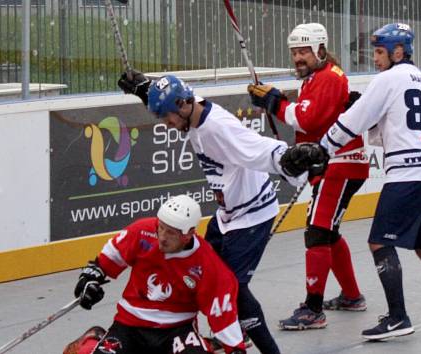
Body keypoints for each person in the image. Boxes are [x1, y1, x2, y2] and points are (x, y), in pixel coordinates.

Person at [117, 72, 328, 353]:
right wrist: (148, 91)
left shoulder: (218, 127)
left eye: (168, 117)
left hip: (252, 214)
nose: (167, 125)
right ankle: (207, 329)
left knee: (234, 287)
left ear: (182, 105)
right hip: (227, 213)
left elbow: (257, 147)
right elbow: (176, 95)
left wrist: (290, 157)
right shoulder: (191, 110)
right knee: (198, 269)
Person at [318, 23, 421, 340]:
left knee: (380, 240)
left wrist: (321, 148)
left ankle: (397, 317)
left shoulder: (388, 78)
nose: (375, 58)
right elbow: (387, 128)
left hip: (407, 172)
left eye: (379, 52)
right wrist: (371, 115)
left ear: (398, 51)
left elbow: (354, 120)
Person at [247, 23, 368, 330]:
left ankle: (313, 309)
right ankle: (352, 296)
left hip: (340, 165)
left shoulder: (327, 77)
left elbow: (306, 117)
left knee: (317, 231)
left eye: (304, 52)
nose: (298, 58)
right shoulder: (318, 77)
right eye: (295, 52)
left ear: (320, 50)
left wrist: (273, 101)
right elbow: (308, 116)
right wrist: (277, 101)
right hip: (335, 164)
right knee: (329, 232)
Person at [73, 194, 247, 353]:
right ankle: (92, 341)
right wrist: (90, 278)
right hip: (130, 324)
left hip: (177, 329)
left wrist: (235, 348)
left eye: (170, 232)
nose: (162, 237)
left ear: (188, 234)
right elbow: (106, 261)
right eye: (161, 228)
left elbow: (222, 312)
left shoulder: (206, 262)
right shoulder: (142, 231)